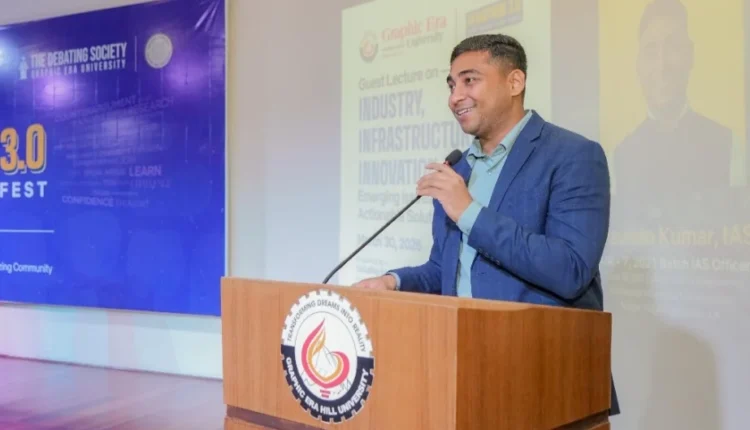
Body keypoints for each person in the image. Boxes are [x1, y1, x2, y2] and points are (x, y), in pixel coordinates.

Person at [353, 33, 620, 416]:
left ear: (514, 82)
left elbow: (570, 269)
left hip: (549, 380)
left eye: (469, 80)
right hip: (464, 374)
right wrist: (393, 282)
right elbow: (448, 271)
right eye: (451, 85)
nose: (455, 97)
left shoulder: (573, 156)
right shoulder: (458, 170)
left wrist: (468, 212)